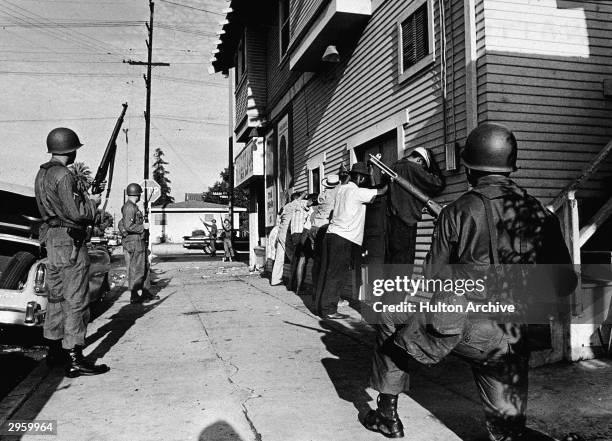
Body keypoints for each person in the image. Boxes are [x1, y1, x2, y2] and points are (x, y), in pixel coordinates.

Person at [364, 123, 577, 440]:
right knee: (506, 432)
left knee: (388, 315)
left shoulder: (457, 212)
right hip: (517, 339)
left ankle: (387, 415)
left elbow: (433, 279)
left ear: (470, 169)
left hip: (469, 331)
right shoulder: (538, 213)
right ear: (509, 167)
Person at [34, 127, 110, 377]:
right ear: (70, 150)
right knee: (76, 298)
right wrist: (94, 204)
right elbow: (77, 212)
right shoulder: (64, 175)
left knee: (55, 297)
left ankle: (54, 351)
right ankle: (75, 355)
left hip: (52, 239)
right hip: (70, 242)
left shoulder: (42, 173)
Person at [315, 162, 388, 319]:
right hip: (343, 238)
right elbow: (381, 191)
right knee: (337, 274)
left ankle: (322, 307)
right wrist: (387, 178)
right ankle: (329, 310)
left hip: (331, 234)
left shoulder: (342, 189)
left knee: (327, 272)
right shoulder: (357, 192)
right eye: (365, 179)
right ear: (361, 178)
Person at [385, 147, 445, 264]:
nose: (422, 169)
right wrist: (433, 165)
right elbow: (437, 183)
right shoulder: (413, 168)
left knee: (392, 262)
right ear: (420, 160)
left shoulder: (392, 167)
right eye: (423, 166)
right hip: (406, 221)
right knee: (405, 263)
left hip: (390, 221)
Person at [120, 183, 159, 304]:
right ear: (137, 194)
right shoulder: (129, 207)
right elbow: (128, 225)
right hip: (135, 241)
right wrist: (143, 227)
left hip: (138, 241)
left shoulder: (132, 207)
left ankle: (146, 292)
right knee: (137, 268)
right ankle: (135, 295)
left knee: (144, 267)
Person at [307, 175, 341, 294]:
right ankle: (327, 293)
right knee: (328, 263)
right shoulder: (336, 192)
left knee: (317, 262)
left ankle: (316, 290)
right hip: (324, 228)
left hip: (314, 227)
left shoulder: (322, 194)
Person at [270, 192, 305, 286]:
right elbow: (301, 198)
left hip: (280, 233)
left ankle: (275, 280)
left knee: (279, 258)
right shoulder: (294, 205)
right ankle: (294, 282)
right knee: (294, 257)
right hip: (286, 235)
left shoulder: (285, 207)